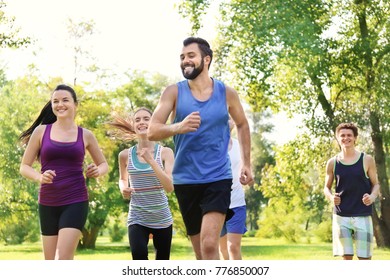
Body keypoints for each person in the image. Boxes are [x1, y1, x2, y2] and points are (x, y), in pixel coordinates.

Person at [148, 37, 253, 260]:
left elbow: (243, 124)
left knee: (208, 246)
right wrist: (179, 126)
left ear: (206, 59)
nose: (185, 61)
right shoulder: (173, 92)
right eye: (182, 57)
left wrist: (246, 163)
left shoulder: (226, 93)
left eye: (191, 56)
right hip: (186, 180)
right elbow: (152, 131)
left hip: (218, 177)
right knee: (200, 254)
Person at [19, 84, 109, 260]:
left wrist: (97, 171)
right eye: (55, 101)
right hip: (47, 202)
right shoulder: (41, 131)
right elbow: (24, 166)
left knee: (62, 259)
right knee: (51, 262)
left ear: (75, 104)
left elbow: (103, 164)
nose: (60, 104)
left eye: (65, 100)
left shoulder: (86, 135)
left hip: (75, 200)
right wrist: (39, 176)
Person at [109, 107, 174, 260]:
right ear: (133, 126)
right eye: (137, 120)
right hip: (137, 217)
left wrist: (151, 161)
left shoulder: (165, 153)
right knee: (138, 257)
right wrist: (123, 188)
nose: (142, 122)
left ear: (154, 123)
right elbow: (123, 178)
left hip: (162, 218)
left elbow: (169, 187)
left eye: (146, 119)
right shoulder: (124, 155)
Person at [324, 122, 380, 260]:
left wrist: (372, 197)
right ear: (337, 138)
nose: (346, 138)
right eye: (342, 135)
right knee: (346, 258)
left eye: (349, 135)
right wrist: (332, 198)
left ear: (355, 138)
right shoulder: (332, 162)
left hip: (362, 214)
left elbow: (376, 184)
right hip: (341, 216)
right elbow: (326, 187)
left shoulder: (366, 160)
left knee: (364, 258)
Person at [219, 118, 247, 260]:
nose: (227, 120)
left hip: (236, 203)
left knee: (233, 248)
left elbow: (247, 170)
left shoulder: (240, 146)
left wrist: (246, 177)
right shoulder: (210, 146)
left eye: (230, 117)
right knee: (223, 250)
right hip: (216, 204)